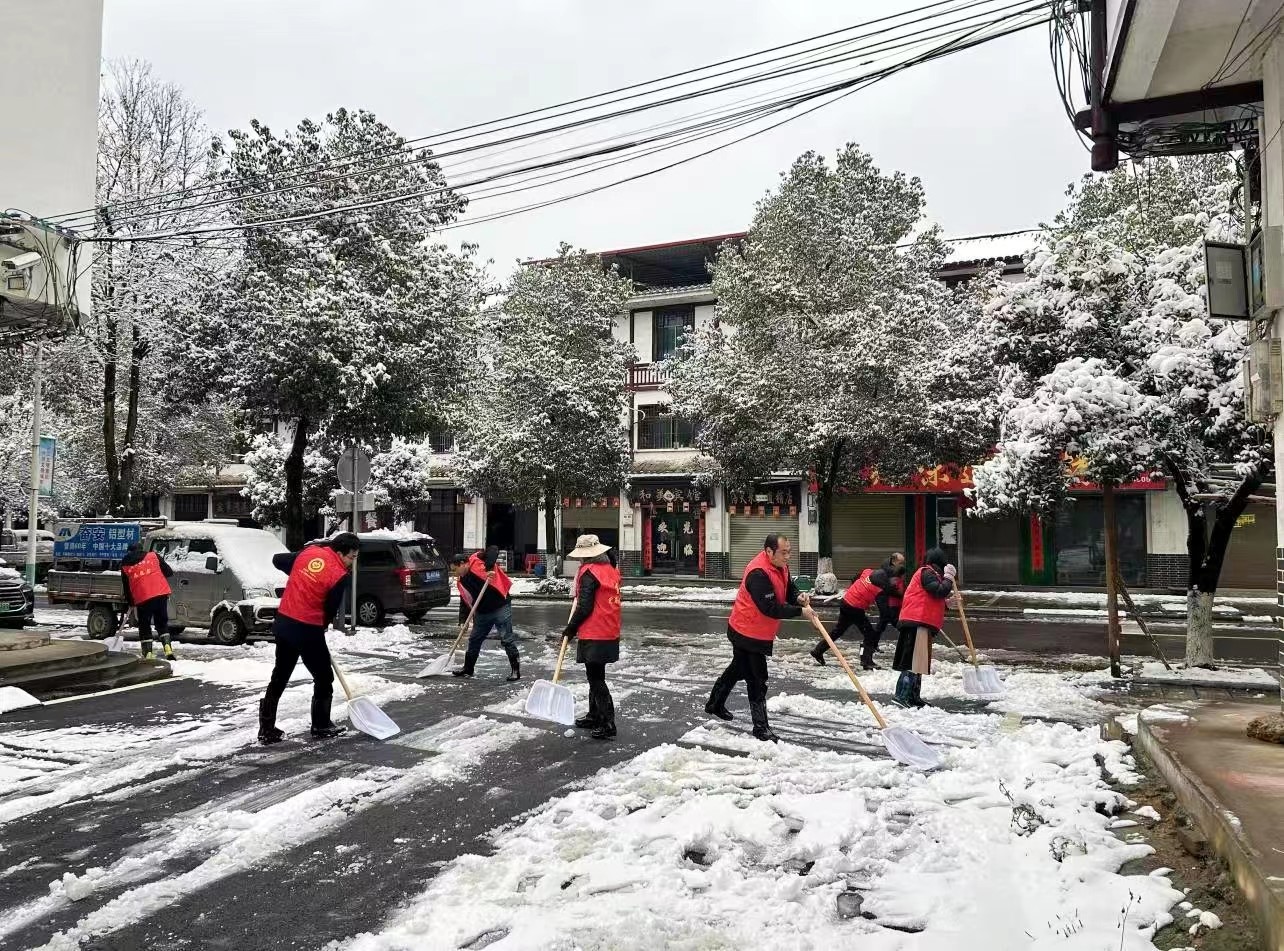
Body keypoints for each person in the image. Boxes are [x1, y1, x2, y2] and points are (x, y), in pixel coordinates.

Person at [705, 534, 815, 742]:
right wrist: (800, 613)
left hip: (757, 632)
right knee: (757, 679)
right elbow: (770, 607)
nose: (788, 556)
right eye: (784, 552)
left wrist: (798, 596)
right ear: (769, 552)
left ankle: (714, 704)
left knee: (738, 669)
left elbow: (787, 588)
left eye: (789, 552)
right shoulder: (758, 573)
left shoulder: (779, 565)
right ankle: (760, 727)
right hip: (746, 632)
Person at [258, 532, 360, 744]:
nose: (353, 561)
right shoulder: (338, 575)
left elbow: (278, 560)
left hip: (284, 624)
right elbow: (330, 608)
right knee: (324, 677)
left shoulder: (309, 553)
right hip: (307, 629)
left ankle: (266, 729)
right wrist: (320, 628)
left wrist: (300, 573)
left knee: (280, 676)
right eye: (351, 557)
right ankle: (321, 726)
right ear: (339, 553)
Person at [562, 534, 621, 741]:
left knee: (595, 678)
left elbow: (584, 606)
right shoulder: (610, 570)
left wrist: (570, 629)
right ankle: (594, 715)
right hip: (609, 629)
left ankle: (608, 722)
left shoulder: (589, 573)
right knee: (595, 674)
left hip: (595, 631)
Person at [892, 547, 956, 709]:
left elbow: (930, 598)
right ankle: (902, 696)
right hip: (916, 622)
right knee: (912, 661)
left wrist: (947, 604)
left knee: (919, 662)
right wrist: (948, 578)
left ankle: (914, 696)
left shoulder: (930, 574)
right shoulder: (926, 572)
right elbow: (938, 591)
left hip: (922, 622)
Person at [452, 545, 520, 682]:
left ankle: (515, 670)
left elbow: (494, 549)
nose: (454, 573)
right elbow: (465, 600)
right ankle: (468, 668)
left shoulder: (476, 559)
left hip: (501, 605)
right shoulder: (462, 581)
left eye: (455, 569)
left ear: (462, 564)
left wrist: (489, 569)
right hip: (482, 612)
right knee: (474, 639)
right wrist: (463, 621)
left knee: (506, 638)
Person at [808, 565, 880, 671]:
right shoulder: (881, 587)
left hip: (846, 602)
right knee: (869, 634)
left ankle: (818, 651)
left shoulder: (868, 572)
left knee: (838, 631)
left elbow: (855, 578)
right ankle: (866, 660)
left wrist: (854, 589)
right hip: (855, 607)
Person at [120, 543, 175, 661]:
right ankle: (167, 647)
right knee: (161, 623)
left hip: (143, 597)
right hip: (160, 593)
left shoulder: (125, 564)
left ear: (129, 551)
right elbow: (169, 572)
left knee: (144, 625)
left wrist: (131, 602)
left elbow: (126, 587)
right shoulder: (153, 556)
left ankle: (148, 653)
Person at [870, 552, 907, 651]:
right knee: (887, 619)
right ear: (894, 561)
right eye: (900, 562)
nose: (901, 565)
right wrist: (900, 595)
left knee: (884, 620)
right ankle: (872, 644)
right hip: (882, 596)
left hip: (887, 597)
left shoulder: (891, 568)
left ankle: (873, 644)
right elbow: (890, 588)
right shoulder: (890, 571)